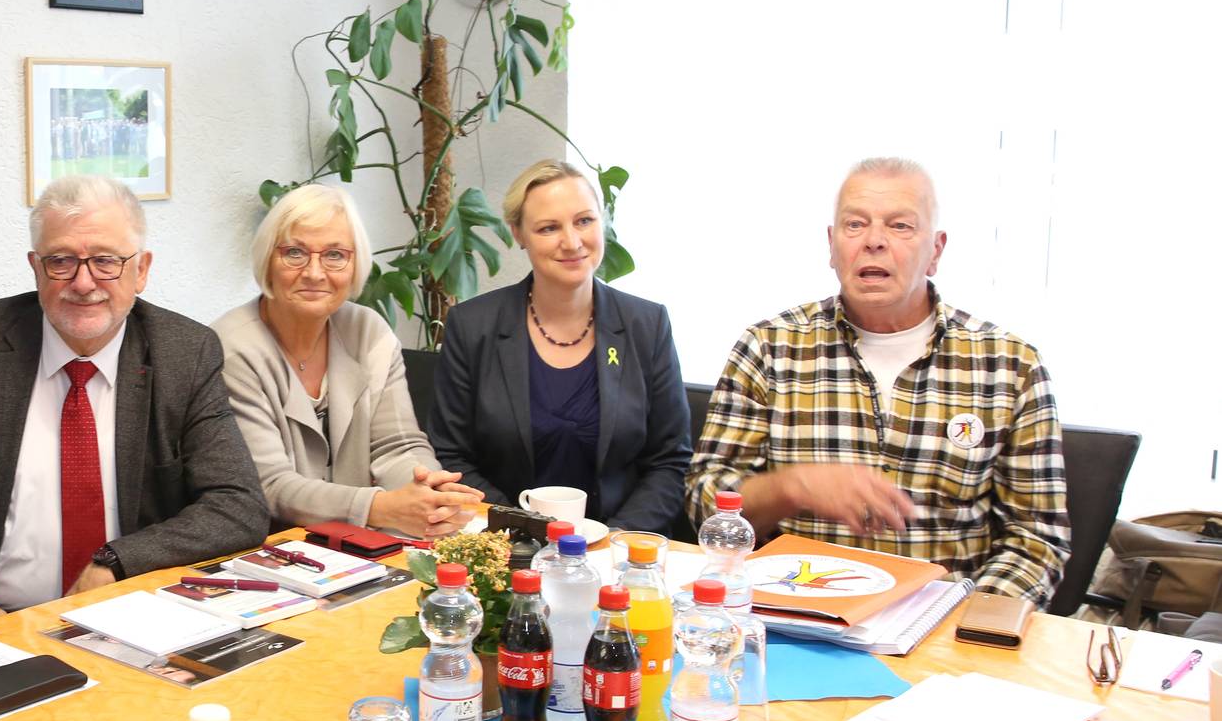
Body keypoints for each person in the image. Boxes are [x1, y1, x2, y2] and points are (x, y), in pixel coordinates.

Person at [686, 156, 1070, 605]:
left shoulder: (1009, 364)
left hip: (945, 621)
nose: (874, 241)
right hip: (796, 614)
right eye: (855, 225)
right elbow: (704, 506)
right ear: (832, 246)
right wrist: (791, 487)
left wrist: (967, 625)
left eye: (900, 226)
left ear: (936, 251)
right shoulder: (769, 348)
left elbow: (1036, 540)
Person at [0, 177, 268, 627]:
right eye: (60, 261)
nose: (83, 283)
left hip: (131, 614)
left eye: (105, 261)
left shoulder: (184, 354)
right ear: (36, 268)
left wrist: (118, 561)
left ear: (141, 270)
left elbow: (237, 505)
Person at [427, 159, 691, 533]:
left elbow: (670, 461)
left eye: (584, 221)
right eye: (549, 228)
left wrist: (614, 540)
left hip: (620, 547)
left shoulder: (647, 325)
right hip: (506, 542)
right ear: (519, 234)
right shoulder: (472, 327)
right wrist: (523, 530)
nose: (572, 241)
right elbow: (451, 455)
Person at [215, 184, 481, 537]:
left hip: (355, 544)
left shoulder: (368, 331)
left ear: (356, 264)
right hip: (269, 545)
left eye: (335, 255)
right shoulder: (231, 348)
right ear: (268, 260)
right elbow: (270, 485)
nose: (314, 272)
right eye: (294, 252)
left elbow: (398, 445)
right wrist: (380, 507)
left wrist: (427, 489)